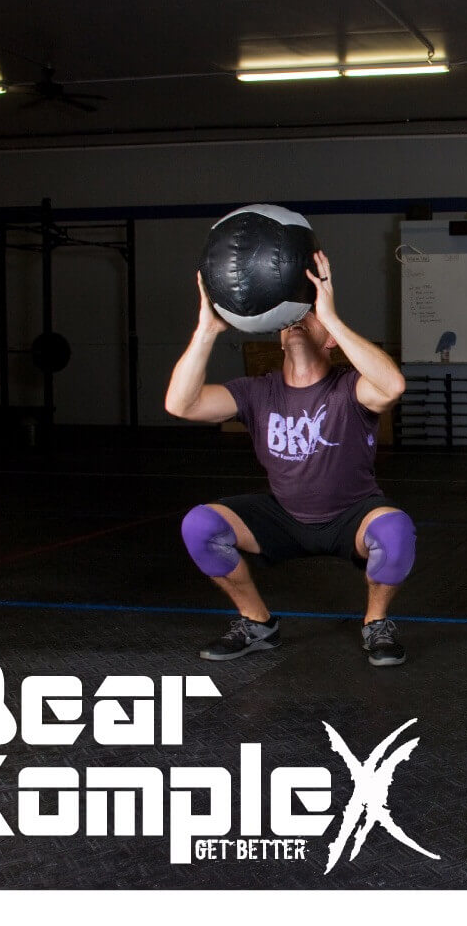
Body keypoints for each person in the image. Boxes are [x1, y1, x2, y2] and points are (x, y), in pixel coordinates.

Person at [164, 250, 415, 666]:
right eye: (291, 317)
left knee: (395, 530)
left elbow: (391, 386)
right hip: (283, 516)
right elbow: (181, 404)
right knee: (200, 524)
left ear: (330, 338)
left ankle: (376, 625)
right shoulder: (255, 391)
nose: (299, 320)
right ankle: (257, 624)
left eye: (309, 315)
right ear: (278, 334)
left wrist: (331, 315)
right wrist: (207, 331)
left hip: (351, 515)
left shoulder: (351, 388)